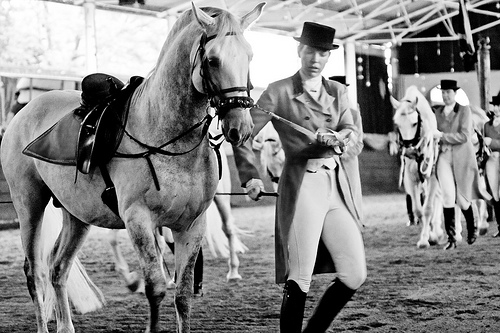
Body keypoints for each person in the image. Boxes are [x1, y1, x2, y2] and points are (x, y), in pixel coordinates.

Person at [233, 22, 366, 333]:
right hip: (302, 184)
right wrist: (251, 176)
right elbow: (242, 133)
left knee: (354, 273)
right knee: (301, 275)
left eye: (322, 53)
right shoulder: (278, 91)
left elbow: (354, 133)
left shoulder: (339, 91)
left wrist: (342, 136)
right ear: (299, 51)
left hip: (336, 186)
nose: (315, 58)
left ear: (328, 56)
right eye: (310, 51)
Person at [433, 79, 490, 250]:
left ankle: (471, 229)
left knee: (462, 198)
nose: (445, 95)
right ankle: (452, 237)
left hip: (462, 157)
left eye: (448, 92)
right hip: (444, 157)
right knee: (448, 196)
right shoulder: (437, 112)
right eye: (443, 92)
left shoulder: (464, 110)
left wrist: (442, 136)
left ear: (455, 93)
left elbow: (465, 136)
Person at [483, 92, 500, 237]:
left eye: (499, 106)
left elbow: (490, 142)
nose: (496, 108)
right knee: (495, 195)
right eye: (495, 105)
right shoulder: (487, 125)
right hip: (491, 161)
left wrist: (492, 142)